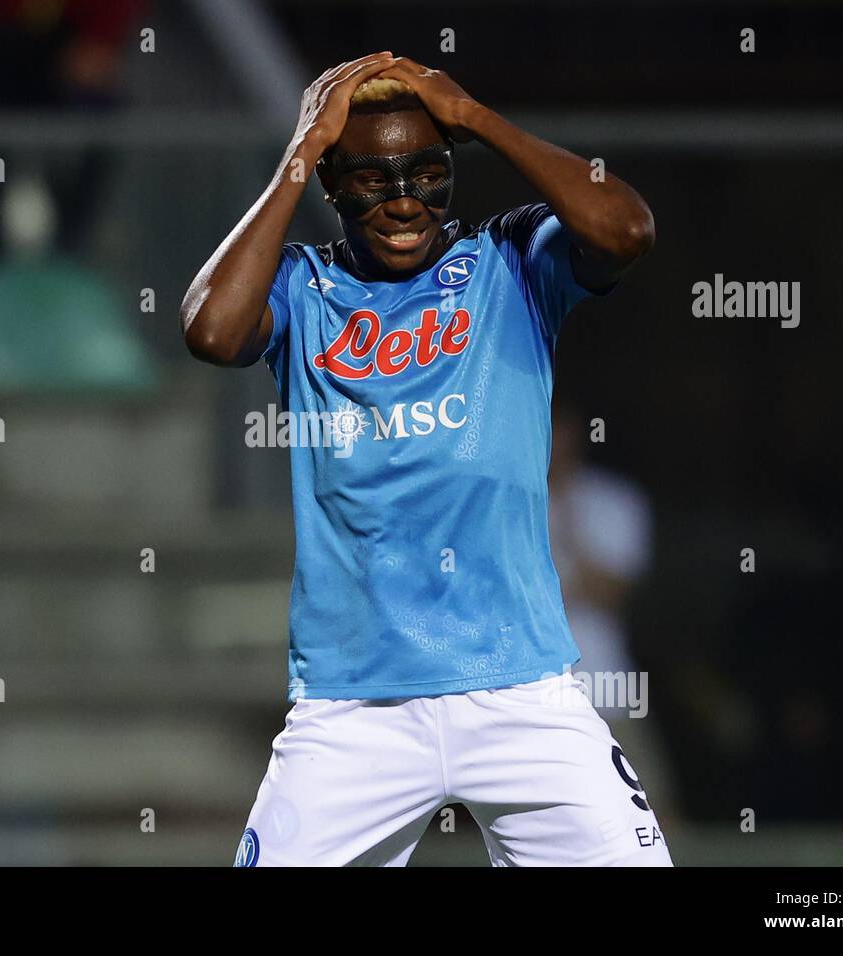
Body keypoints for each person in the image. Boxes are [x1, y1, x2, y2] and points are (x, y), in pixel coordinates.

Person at [181, 52, 669, 866]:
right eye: (370, 178)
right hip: (351, 707)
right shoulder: (302, 288)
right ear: (331, 187)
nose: (405, 199)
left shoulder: (509, 260)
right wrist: (300, 149)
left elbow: (626, 229)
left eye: (426, 172)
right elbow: (210, 330)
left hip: (520, 689)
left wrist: (476, 118)